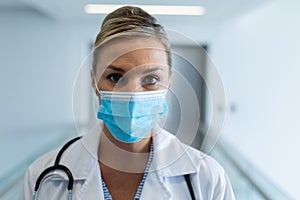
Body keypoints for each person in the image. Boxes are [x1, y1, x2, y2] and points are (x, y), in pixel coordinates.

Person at [22, 6, 235, 200]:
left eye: (151, 79)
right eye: (115, 77)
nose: (133, 94)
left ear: (168, 83)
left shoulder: (207, 178)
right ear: (94, 83)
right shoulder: (44, 178)